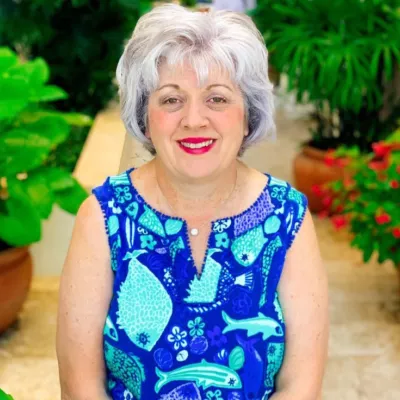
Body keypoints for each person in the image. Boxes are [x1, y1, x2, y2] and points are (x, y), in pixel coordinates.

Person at [56, 4, 329, 400]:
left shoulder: (287, 218)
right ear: (144, 115)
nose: (194, 120)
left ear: (248, 114)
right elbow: (80, 386)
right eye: (171, 100)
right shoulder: (104, 216)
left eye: (217, 99)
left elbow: (301, 386)